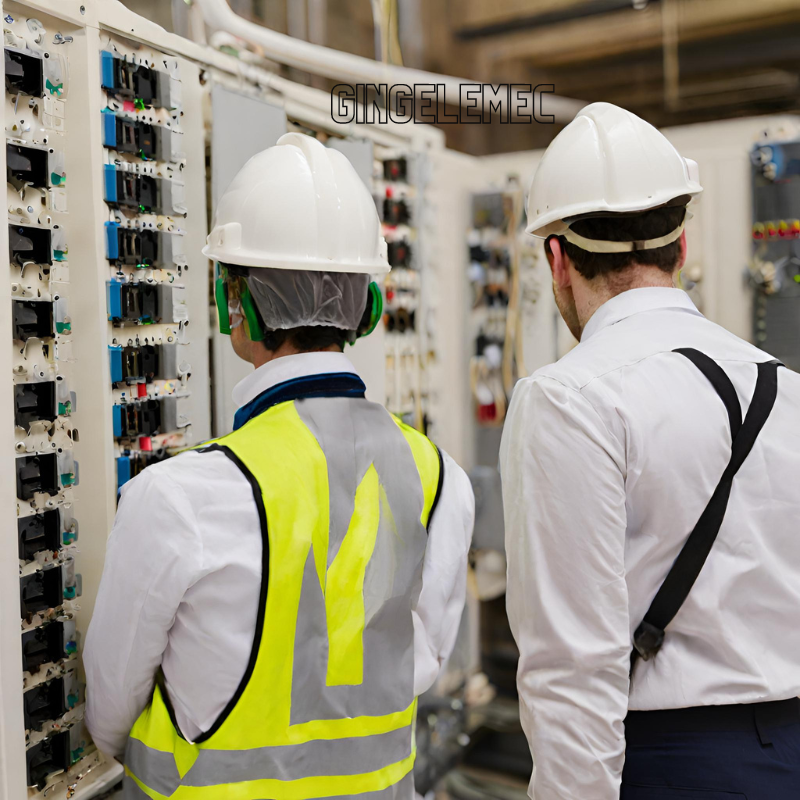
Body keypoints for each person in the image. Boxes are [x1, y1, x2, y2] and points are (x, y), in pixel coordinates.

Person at [84, 132, 474, 800]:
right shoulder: (439, 477)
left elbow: (110, 715)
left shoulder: (179, 496)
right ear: (370, 307)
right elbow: (419, 662)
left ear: (233, 303)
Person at [500, 102, 800, 800]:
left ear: (558, 259)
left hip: (673, 763)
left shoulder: (568, 398)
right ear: (681, 248)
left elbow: (573, 667)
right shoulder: (786, 388)